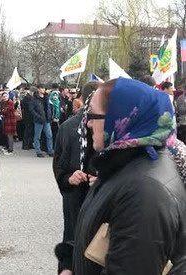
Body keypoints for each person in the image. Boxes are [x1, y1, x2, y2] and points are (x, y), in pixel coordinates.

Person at [73, 78, 186, 274]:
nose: (88, 123)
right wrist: (69, 261)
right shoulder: (125, 164)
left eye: (92, 114)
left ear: (120, 117)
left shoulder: (144, 190)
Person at [53, 81, 99, 275]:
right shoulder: (69, 127)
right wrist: (69, 179)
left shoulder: (108, 125)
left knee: (95, 246)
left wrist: (103, 179)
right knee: (73, 242)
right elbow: (59, 166)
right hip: (75, 197)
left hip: (98, 196)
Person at [29, 86, 54, 157]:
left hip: (46, 119)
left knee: (49, 135)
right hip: (38, 120)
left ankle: (50, 150)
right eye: (42, 88)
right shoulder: (34, 99)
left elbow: (50, 107)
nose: (44, 90)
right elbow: (32, 110)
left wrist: (50, 115)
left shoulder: (46, 97)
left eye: (44, 88)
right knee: (37, 136)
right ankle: (38, 151)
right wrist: (37, 116)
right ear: (39, 89)